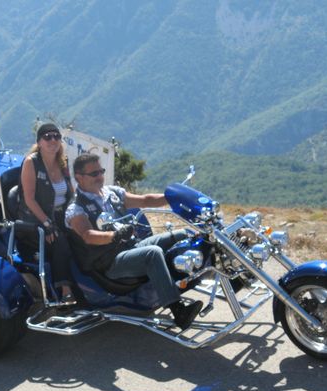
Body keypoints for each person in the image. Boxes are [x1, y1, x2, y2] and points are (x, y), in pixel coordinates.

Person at [65, 153, 203, 330]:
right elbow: (87, 235)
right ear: (79, 177)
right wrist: (114, 236)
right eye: (94, 173)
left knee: (184, 234)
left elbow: (145, 200)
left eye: (101, 171)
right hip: (109, 262)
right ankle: (178, 311)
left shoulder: (111, 193)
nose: (100, 176)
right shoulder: (76, 208)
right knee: (152, 253)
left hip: (130, 246)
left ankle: (195, 275)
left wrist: (173, 198)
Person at [18, 123, 75, 302]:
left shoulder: (62, 162)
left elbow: (71, 193)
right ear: (39, 142)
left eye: (56, 136)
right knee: (60, 241)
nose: (53, 140)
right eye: (47, 137)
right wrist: (47, 224)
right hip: (36, 219)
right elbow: (29, 199)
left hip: (61, 215)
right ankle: (65, 291)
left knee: (84, 234)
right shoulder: (31, 162)